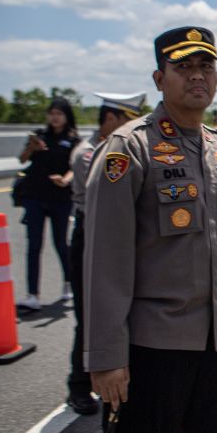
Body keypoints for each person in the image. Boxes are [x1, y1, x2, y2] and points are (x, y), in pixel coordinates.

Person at [84, 26, 217, 433]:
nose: (198, 76)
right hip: (153, 350)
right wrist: (106, 357)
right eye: (184, 67)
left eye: (206, 66)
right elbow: (104, 261)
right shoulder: (128, 149)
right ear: (159, 78)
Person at [66, 91, 145, 416]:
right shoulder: (93, 152)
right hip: (90, 232)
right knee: (91, 314)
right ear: (110, 118)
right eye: (126, 117)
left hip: (114, 230)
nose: (131, 125)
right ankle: (79, 386)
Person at [15, 97, 80, 311]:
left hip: (60, 198)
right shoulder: (40, 136)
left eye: (59, 113)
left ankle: (68, 284)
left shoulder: (73, 140)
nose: (54, 117)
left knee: (60, 243)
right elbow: (22, 160)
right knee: (34, 245)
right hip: (35, 195)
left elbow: (74, 167)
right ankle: (33, 294)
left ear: (66, 116)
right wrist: (32, 149)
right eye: (51, 113)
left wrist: (66, 180)